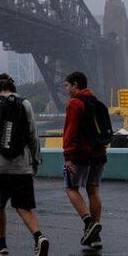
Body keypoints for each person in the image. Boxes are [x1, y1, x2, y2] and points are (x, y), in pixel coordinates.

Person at [0, 74, 49, 256]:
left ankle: (2, 246)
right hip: (22, 167)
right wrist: (35, 162)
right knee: (24, 206)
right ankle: (39, 237)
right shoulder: (25, 104)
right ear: (13, 87)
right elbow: (33, 137)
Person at [63, 71, 107, 250]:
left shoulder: (75, 103)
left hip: (81, 155)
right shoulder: (96, 101)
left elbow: (70, 131)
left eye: (67, 85)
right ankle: (95, 238)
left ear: (75, 84)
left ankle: (89, 223)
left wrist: (68, 156)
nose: (66, 89)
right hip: (100, 153)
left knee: (71, 188)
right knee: (93, 190)